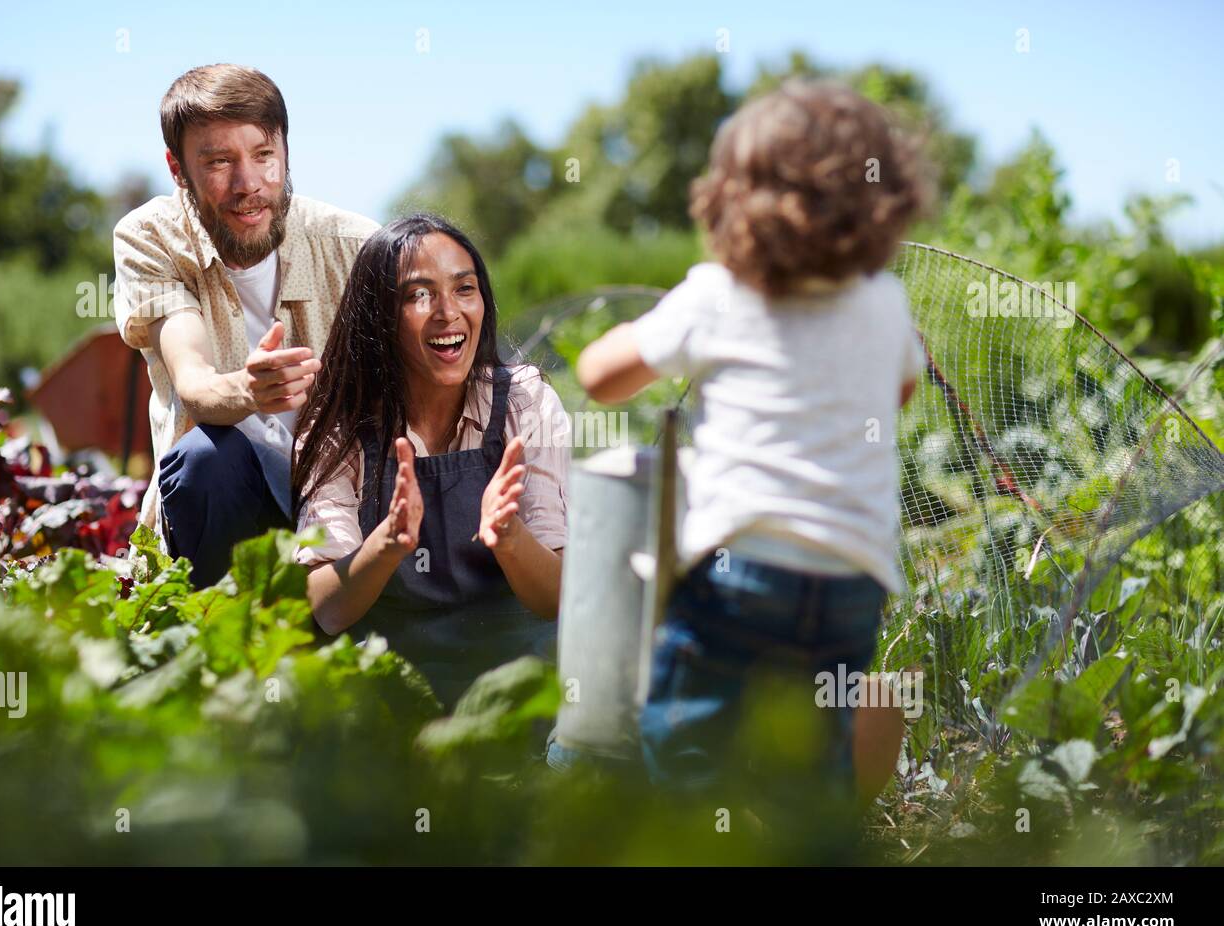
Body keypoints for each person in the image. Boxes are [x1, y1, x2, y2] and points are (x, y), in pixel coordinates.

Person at [575, 81, 929, 802]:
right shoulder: (884, 302)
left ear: (732, 200)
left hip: (742, 572)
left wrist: (636, 339)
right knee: (818, 766)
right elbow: (899, 392)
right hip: (852, 580)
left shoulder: (717, 295)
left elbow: (599, 376)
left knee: (686, 746)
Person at [112, 63, 379, 587]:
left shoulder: (355, 245)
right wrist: (249, 389)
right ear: (177, 168)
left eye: (264, 156)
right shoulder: (151, 239)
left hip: (350, 500)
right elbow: (194, 384)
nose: (249, 184)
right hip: (229, 505)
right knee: (205, 456)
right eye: (218, 163)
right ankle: (218, 632)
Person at [292, 214, 570, 708]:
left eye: (465, 289)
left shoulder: (526, 402)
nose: (448, 312)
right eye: (418, 295)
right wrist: (389, 543)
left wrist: (510, 538)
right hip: (393, 686)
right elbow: (326, 610)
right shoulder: (339, 426)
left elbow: (555, 599)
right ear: (380, 315)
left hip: (516, 681)